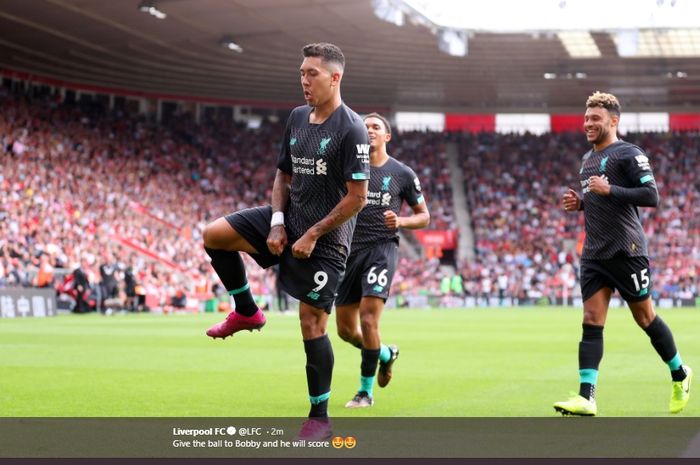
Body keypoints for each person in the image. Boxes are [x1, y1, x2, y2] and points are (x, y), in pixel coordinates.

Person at [202, 43, 369, 429]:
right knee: (214, 235)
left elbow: (357, 198)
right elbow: (283, 174)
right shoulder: (296, 117)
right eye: (301, 73)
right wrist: (277, 221)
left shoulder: (352, 128)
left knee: (311, 323)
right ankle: (247, 312)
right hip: (288, 221)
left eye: (312, 73)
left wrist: (312, 233)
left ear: (335, 77)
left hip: (327, 239)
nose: (304, 80)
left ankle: (319, 419)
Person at [554, 91, 692, 416]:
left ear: (613, 121)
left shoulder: (628, 153)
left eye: (595, 119)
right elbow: (600, 199)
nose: (588, 124)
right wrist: (582, 203)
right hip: (594, 252)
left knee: (645, 318)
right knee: (591, 320)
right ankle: (587, 397)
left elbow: (651, 195)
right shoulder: (587, 159)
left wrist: (610, 189)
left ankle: (679, 372)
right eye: (586, 118)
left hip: (626, 250)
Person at [335, 113, 429, 408]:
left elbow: (424, 216)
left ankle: (365, 392)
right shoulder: (347, 168)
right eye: (364, 128)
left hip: (381, 249)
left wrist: (400, 221)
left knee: (368, 318)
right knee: (346, 331)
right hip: (349, 252)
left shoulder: (401, 173)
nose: (369, 131)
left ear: (387, 136)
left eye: (376, 127)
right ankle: (386, 354)